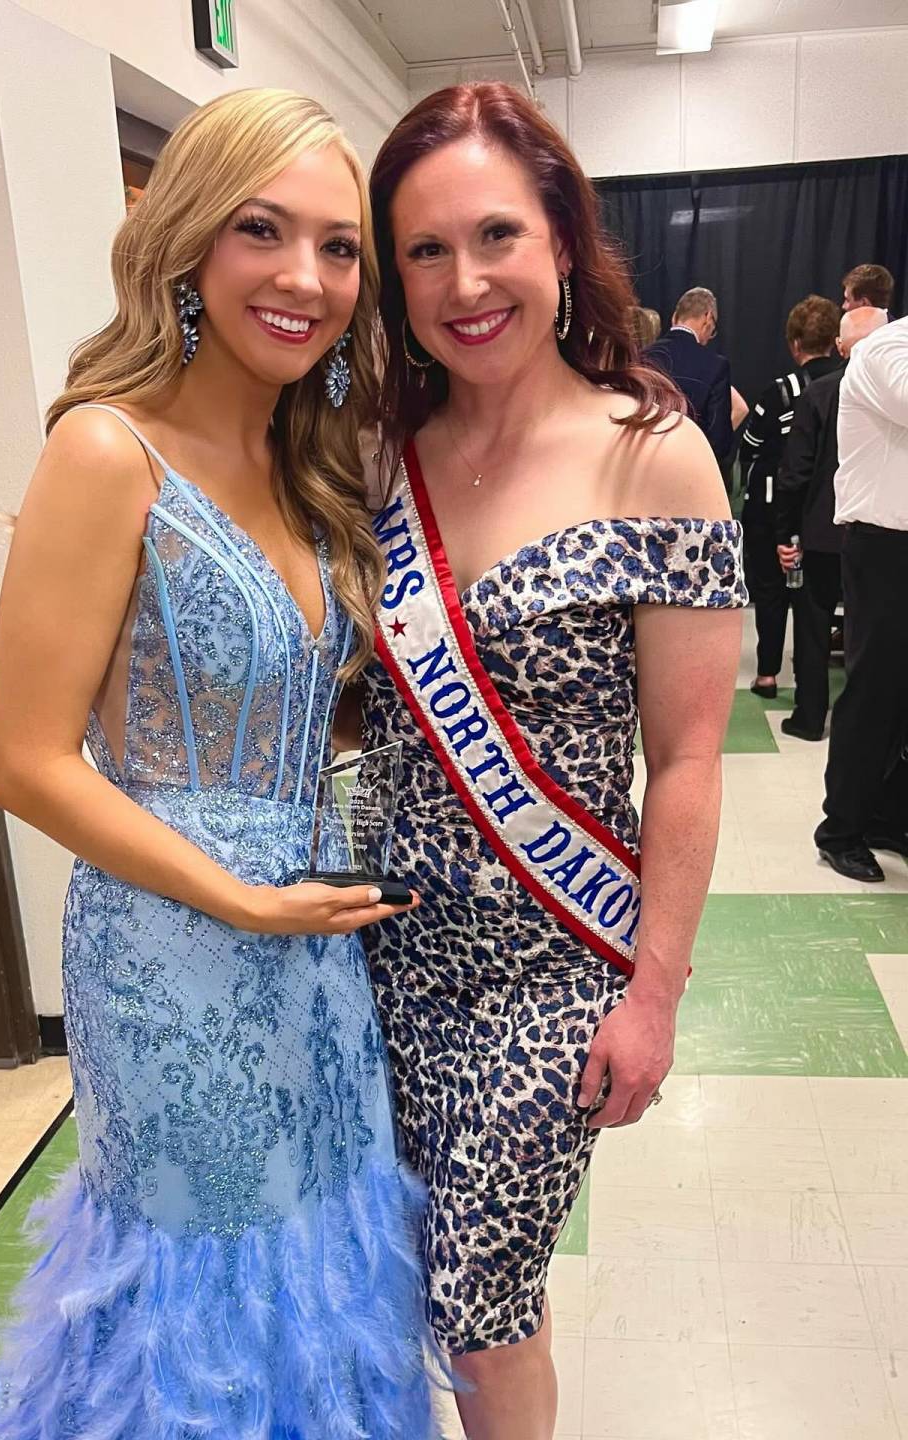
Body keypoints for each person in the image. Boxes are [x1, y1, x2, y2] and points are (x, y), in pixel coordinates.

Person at [0, 90, 439, 1440]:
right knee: (200, 1281)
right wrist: (241, 900)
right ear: (187, 245)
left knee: (322, 1240)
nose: (305, 277)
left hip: (317, 945)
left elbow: (299, 707)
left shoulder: (307, 460)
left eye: (340, 247)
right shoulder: (107, 450)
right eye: (262, 230)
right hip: (173, 960)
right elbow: (23, 760)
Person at [357, 82, 745, 1440]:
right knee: (385, 1271)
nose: (465, 283)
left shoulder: (657, 456)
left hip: (552, 968)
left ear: (563, 240)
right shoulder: (375, 458)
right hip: (377, 957)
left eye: (497, 236)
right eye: (425, 250)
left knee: (480, 1299)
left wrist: (654, 996)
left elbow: (689, 757)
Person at [815, 315, 908, 882]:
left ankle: (888, 817)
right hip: (883, 546)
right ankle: (841, 831)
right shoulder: (885, 350)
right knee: (874, 690)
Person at [774, 307, 888, 739]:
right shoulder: (896, 396)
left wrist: (786, 534)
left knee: (813, 624)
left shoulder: (820, 393)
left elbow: (796, 472)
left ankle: (809, 716)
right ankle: (868, 725)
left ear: (841, 347)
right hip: (883, 533)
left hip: (823, 530)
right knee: (873, 631)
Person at [739, 295, 842, 699]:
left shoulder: (780, 393)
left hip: (773, 507)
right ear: (834, 341)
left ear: (795, 344)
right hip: (830, 509)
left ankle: (767, 673)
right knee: (815, 597)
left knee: (770, 589)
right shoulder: (850, 386)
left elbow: (749, 446)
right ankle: (809, 679)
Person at [645, 286, 734, 463]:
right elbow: (719, 441)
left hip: (643, 465)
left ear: (674, 317)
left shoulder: (642, 357)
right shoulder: (715, 366)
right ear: (708, 318)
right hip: (689, 467)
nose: (709, 337)